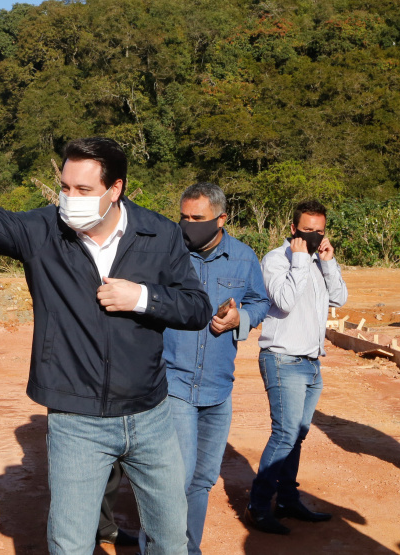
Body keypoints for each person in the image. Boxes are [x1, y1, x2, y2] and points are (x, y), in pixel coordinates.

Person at [0, 121, 213, 555]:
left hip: (150, 414)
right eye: (65, 187)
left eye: (82, 189)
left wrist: (142, 298)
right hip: (76, 420)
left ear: (115, 189)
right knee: (70, 543)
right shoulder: (43, 232)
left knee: (172, 539)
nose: (69, 199)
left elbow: (196, 308)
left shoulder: (160, 233)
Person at [111, 182, 269, 554]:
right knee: (173, 482)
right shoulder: (166, 253)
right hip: (174, 383)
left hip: (218, 387)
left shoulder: (244, 258)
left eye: (197, 218)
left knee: (202, 480)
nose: (187, 225)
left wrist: (240, 318)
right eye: (183, 216)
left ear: (221, 219)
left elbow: (260, 301)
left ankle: (188, 549)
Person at [246, 200, 348, 535]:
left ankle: (287, 500)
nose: (315, 236)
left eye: (320, 231)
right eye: (308, 230)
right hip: (282, 358)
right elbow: (285, 301)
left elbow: (339, 299)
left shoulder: (320, 261)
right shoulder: (276, 260)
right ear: (293, 229)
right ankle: (258, 507)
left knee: (298, 437)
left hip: (310, 362)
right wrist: (301, 259)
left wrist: (328, 263)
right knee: (285, 433)